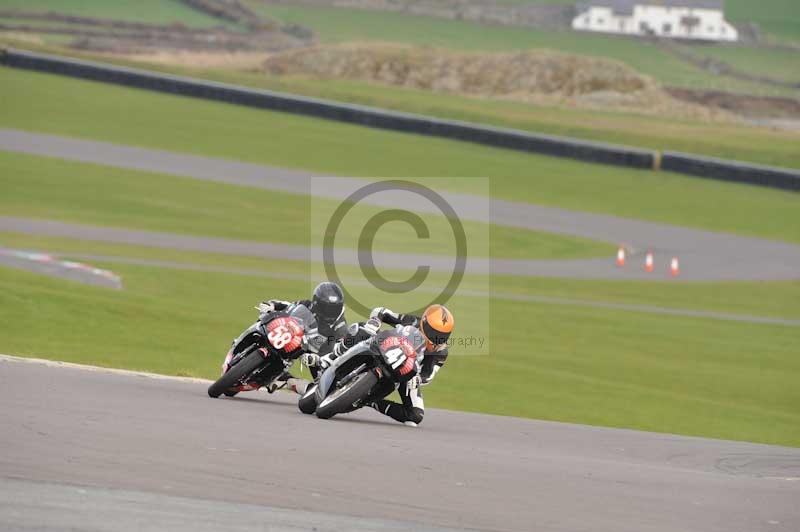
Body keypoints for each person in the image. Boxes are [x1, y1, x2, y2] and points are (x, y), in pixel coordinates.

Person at [305, 304, 454, 427]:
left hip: (406, 372)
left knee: (415, 415)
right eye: (433, 333)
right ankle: (328, 360)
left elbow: (428, 374)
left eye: (441, 336)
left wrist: (418, 379)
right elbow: (381, 311)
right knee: (362, 329)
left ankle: (371, 401)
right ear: (424, 323)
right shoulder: (412, 321)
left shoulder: (440, 353)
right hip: (385, 346)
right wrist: (375, 321)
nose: (436, 340)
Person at [258, 282, 347, 393]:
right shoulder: (308, 305)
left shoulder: (340, 326)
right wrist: (272, 305)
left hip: (319, 355)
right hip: (296, 338)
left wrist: (320, 359)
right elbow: (289, 306)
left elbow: (341, 347)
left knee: (322, 390)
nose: (330, 313)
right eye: (326, 308)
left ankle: (288, 381)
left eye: (334, 309)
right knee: (269, 324)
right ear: (317, 303)